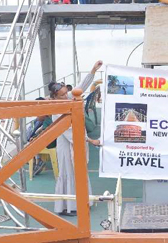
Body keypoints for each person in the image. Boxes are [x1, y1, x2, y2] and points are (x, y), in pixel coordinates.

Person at [49, 60, 102, 216]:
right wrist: (91, 140)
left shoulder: (68, 98)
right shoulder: (56, 110)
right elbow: (71, 132)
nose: (67, 96)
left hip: (75, 140)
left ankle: (79, 202)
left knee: (77, 171)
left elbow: (81, 87)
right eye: (63, 94)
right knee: (68, 171)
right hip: (65, 144)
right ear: (55, 96)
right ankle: (67, 207)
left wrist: (93, 70)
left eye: (66, 92)